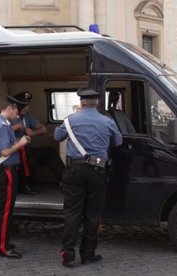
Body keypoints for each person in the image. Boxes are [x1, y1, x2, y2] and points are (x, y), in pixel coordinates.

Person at [54, 87, 122, 268]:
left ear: (82, 103)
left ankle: (68, 255)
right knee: (93, 214)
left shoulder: (70, 121)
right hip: (97, 171)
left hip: (74, 170)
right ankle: (88, 254)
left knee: (72, 213)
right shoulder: (107, 121)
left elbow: (57, 136)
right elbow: (118, 142)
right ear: (97, 103)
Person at [0, 95, 31, 259]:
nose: (18, 116)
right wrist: (21, 144)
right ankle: (2, 248)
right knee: (5, 211)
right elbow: (5, 151)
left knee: (1, 209)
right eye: (17, 112)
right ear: (10, 108)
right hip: (6, 171)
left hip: (2, 170)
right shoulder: (2, 126)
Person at [11, 91, 65, 194]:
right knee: (26, 158)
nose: (26, 108)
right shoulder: (10, 116)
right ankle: (25, 186)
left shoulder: (27, 116)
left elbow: (43, 129)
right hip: (14, 151)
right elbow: (2, 129)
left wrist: (33, 132)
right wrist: (17, 127)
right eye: (24, 105)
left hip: (27, 149)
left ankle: (65, 182)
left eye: (27, 105)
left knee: (50, 152)